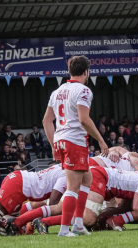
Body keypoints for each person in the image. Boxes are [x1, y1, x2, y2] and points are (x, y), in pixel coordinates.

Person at [42, 55, 108, 237]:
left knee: (87, 179)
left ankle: (78, 224)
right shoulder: (84, 90)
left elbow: (46, 121)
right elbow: (83, 119)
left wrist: (54, 144)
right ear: (86, 72)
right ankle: (64, 229)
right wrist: (101, 140)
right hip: (74, 141)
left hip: (63, 140)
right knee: (73, 186)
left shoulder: (57, 92)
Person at [0, 164, 66, 233]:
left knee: (8, 223)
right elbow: (53, 202)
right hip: (20, 185)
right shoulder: (66, 175)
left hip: (20, 180)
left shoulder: (63, 167)